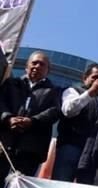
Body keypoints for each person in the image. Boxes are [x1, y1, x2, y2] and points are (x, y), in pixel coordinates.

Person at [0, 51, 60, 181]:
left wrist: (32, 121)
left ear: (48, 70)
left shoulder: (54, 91)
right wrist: (8, 118)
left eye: (42, 64)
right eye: (34, 62)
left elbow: (54, 112)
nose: (37, 66)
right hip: (4, 143)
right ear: (26, 66)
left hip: (30, 150)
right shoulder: (11, 83)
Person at [54, 62, 98, 183]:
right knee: (61, 183)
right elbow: (68, 110)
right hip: (71, 147)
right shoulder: (72, 91)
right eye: (95, 77)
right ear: (85, 78)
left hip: (90, 155)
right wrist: (90, 93)